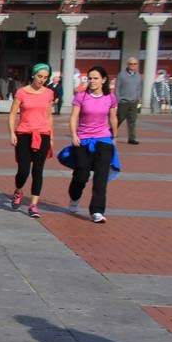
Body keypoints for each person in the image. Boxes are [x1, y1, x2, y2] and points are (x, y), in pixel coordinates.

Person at [67, 66, 119, 224]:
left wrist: (114, 136)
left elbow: (113, 118)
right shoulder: (81, 96)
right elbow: (74, 117)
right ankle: (74, 198)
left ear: (103, 80)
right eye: (90, 78)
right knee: (81, 174)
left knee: (101, 178)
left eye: (96, 78)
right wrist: (74, 135)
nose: (92, 81)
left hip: (103, 140)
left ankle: (97, 211)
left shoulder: (110, 98)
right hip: (83, 140)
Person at [8, 63, 55, 218]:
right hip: (24, 134)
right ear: (33, 75)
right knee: (23, 170)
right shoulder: (22, 92)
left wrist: (51, 136)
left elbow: (48, 116)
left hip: (42, 134)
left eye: (45, 77)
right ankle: (18, 191)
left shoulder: (48, 93)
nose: (42, 80)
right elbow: (13, 113)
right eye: (40, 76)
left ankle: (34, 204)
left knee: (38, 170)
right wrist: (12, 133)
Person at [115, 57, 143, 145]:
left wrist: (138, 98)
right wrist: (118, 99)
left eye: (135, 64)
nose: (133, 65)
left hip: (133, 102)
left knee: (132, 121)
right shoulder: (122, 75)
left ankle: (132, 138)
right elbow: (117, 87)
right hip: (123, 102)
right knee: (118, 119)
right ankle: (110, 134)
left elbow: (139, 88)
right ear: (128, 65)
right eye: (131, 64)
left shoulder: (138, 75)